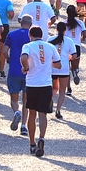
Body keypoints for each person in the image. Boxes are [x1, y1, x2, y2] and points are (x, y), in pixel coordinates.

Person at [20, 26, 61, 157]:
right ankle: (41, 138)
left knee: (32, 114)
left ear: (30, 35)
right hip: (46, 84)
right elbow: (58, 64)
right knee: (42, 115)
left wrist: (25, 67)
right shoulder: (50, 47)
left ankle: (32, 143)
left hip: (32, 84)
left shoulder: (28, 46)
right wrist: (48, 63)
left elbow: (23, 57)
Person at [2, 15, 32, 136]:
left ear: (20, 23)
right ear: (30, 24)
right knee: (26, 101)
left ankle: (16, 112)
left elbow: (4, 50)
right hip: (28, 72)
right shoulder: (32, 35)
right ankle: (24, 126)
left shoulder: (12, 35)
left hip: (14, 70)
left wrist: (8, 59)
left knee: (14, 99)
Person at [48, 22, 75, 120]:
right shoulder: (69, 41)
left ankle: (50, 100)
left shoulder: (50, 40)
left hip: (53, 67)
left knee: (54, 88)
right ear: (65, 30)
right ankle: (58, 110)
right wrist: (69, 57)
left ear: (56, 29)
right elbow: (74, 55)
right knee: (62, 91)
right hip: (64, 68)